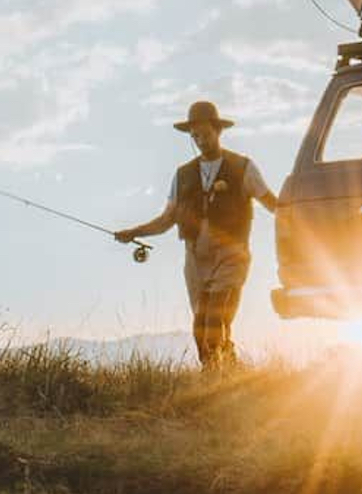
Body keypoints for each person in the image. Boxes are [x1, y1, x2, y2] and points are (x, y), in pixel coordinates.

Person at [115, 100, 276, 368]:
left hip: (231, 255)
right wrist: (134, 231)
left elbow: (271, 203)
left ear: (218, 130)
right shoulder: (182, 175)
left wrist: (302, 215)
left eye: (205, 134)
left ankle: (219, 368)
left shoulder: (243, 167)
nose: (200, 141)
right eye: (195, 136)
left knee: (214, 317)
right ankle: (219, 370)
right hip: (195, 259)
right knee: (202, 324)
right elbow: (167, 219)